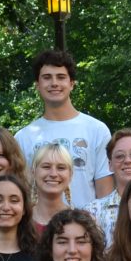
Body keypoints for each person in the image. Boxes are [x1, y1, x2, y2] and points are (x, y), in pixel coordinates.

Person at [15, 48, 113, 207]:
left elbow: (105, 193)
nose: (54, 83)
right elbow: (22, 191)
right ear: (37, 85)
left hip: (86, 227)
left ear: (72, 84)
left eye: (61, 77)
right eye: (47, 77)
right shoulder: (23, 137)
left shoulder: (97, 130)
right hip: (39, 229)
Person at [31, 142, 74, 232]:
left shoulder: (81, 222)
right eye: (46, 167)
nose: (53, 174)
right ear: (33, 172)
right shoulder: (19, 220)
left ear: (70, 175)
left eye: (61, 168)